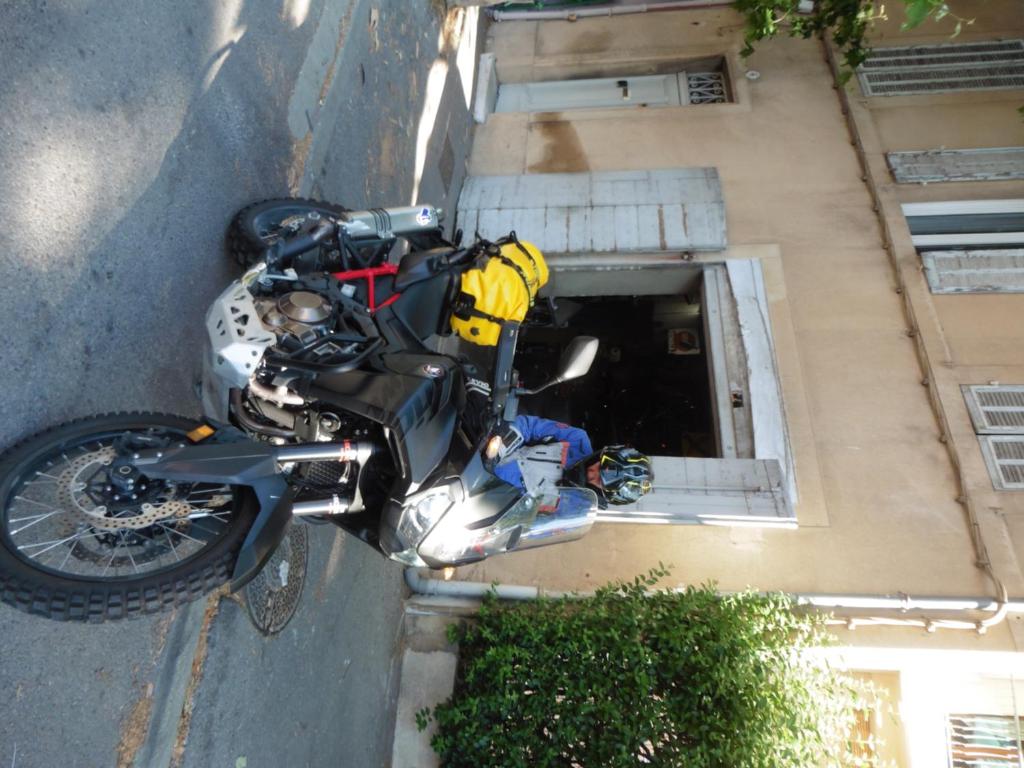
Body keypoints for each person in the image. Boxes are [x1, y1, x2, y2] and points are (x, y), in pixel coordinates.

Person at [489, 415, 653, 509]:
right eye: (601, 467)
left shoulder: (575, 508)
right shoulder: (577, 440)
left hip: (488, 501)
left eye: (600, 481)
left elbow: (534, 527)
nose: (592, 474)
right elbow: (528, 425)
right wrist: (502, 446)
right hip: (488, 454)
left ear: (606, 494)